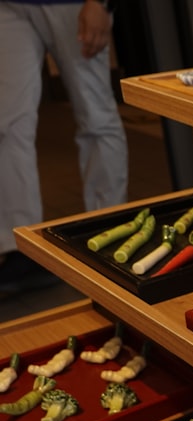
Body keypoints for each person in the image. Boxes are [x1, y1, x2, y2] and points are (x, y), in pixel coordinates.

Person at [0, 0, 127, 291]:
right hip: (9, 6)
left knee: (96, 119)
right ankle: (21, 249)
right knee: (7, 125)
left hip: (72, 4)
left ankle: (109, 232)